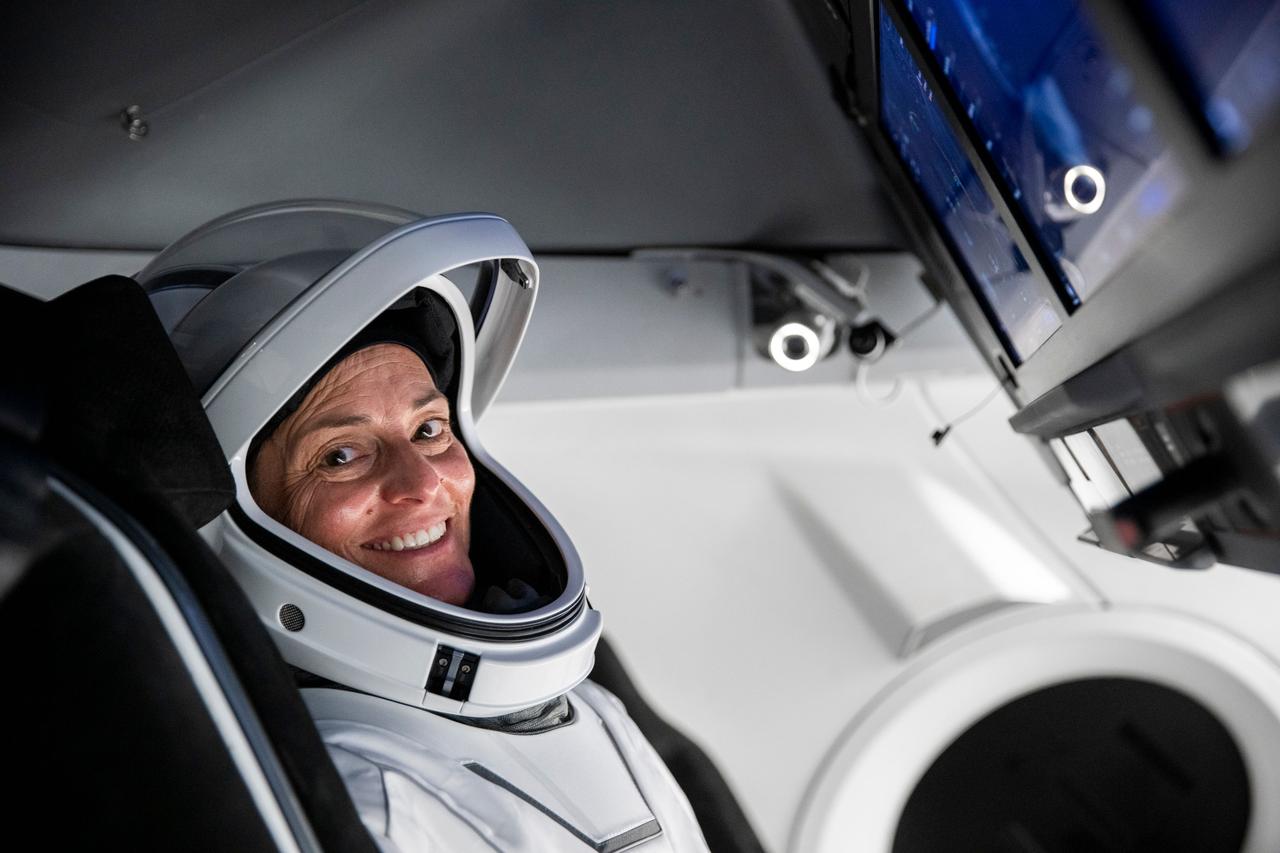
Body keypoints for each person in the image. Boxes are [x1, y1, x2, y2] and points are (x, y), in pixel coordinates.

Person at [142, 202, 710, 852]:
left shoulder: (588, 703)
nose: (421, 484)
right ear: (246, 514)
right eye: (341, 455)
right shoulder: (363, 803)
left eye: (429, 429)